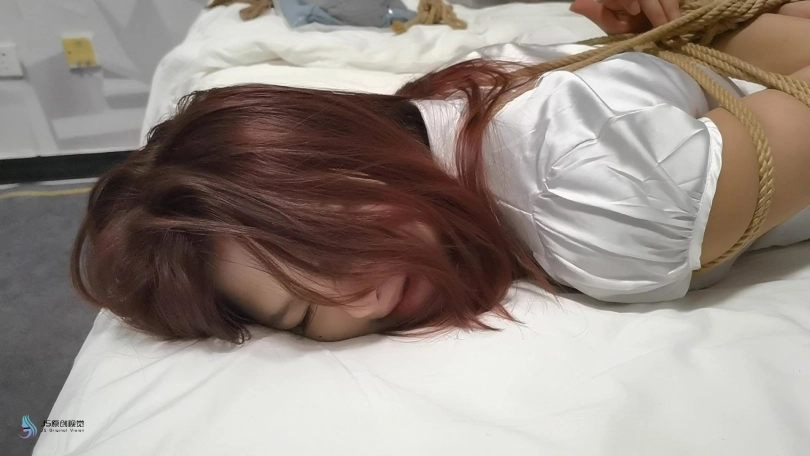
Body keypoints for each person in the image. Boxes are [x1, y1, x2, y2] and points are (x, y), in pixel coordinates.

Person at [72, 0, 810, 343]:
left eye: (327, 244)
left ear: (346, 152)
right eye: (303, 315)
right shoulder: (454, 106)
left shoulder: (597, 205)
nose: (359, 298)